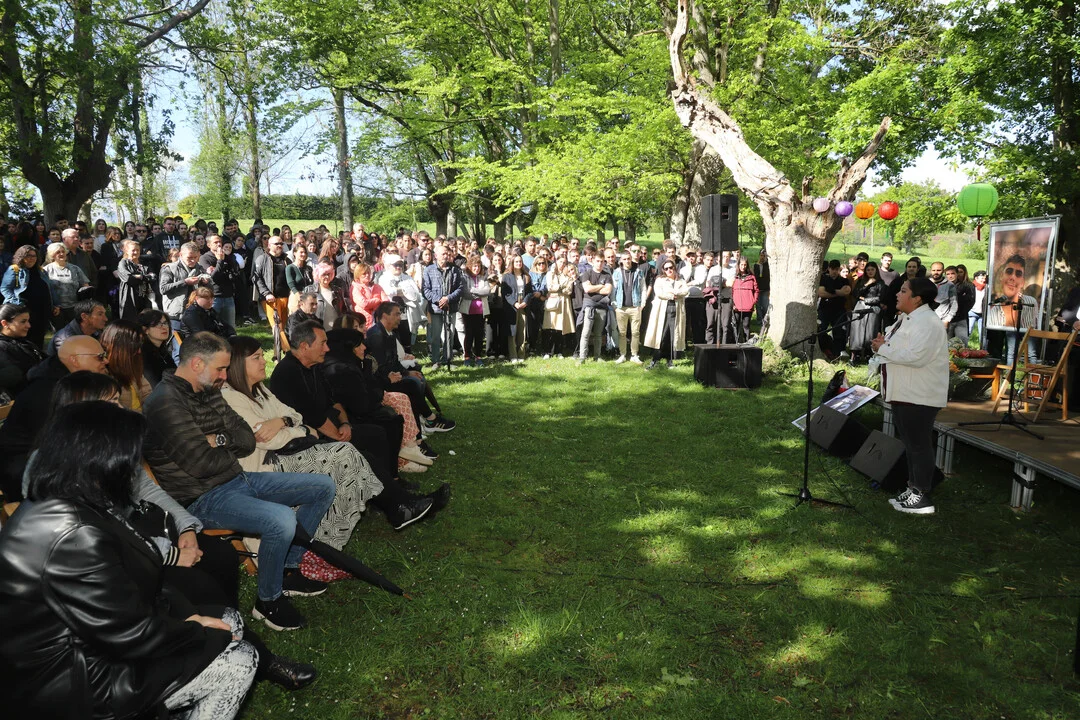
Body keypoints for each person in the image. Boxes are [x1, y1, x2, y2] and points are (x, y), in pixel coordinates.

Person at [26, 372, 318, 692]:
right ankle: (244, 655)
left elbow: (151, 492)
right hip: (118, 560)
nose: (122, 409)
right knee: (195, 584)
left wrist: (186, 526)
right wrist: (172, 553)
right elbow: (107, 541)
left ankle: (230, 637)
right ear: (79, 412)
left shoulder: (108, 448)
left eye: (117, 401)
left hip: (143, 534)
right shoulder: (52, 470)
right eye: (110, 403)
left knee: (220, 555)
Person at [0, 401, 259, 719]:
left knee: (229, 620)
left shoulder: (74, 500)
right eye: (129, 458)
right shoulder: (74, 532)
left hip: (94, 649)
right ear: (103, 460)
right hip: (71, 681)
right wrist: (195, 630)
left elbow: (133, 591)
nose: (134, 467)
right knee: (239, 660)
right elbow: (129, 633)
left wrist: (189, 618)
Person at [142, 332, 337, 632]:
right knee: (281, 519)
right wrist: (223, 445)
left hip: (236, 479)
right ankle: (268, 600)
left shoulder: (208, 389)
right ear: (196, 364)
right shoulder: (165, 402)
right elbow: (200, 464)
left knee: (322, 486)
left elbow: (246, 440)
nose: (225, 375)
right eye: (220, 368)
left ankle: (287, 569)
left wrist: (217, 440)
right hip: (201, 498)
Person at [267, 321, 438, 530]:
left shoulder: (313, 366)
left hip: (330, 427)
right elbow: (311, 416)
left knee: (376, 434)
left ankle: (388, 495)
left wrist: (345, 423)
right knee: (361, 453)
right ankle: (399, 506)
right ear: (304, 346)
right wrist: (338, 435)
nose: (327, 349)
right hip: (305, 438)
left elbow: (333, 400)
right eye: (322, 344)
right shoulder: (288, 372)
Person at [222, 336, 385, 550]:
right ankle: (324, 539)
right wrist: (303, 430)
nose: (264, 361)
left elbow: (294, 414)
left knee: (347, 454)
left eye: (262, 356)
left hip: (285, 457)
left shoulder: (260, 390)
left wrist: (282, 422)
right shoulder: (232, 398)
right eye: (256, 357)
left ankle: (326, 536)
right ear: (237, 364)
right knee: (344, 455)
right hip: (264, 471)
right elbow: (270, 440)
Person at [870, 277, 949, 514]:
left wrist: (883, 348)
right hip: (904, 392)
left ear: (917, 299)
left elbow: (917, 356)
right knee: (910, 443)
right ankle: (913, 488)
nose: (897, 294)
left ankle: (922, 495)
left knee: (919, 445)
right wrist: (883, 344)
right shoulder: (907, 318)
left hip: (919, 394)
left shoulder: (928, 322)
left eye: (903, 291)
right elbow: (899, 348)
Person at [365, 301, 455, 433]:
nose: (400, 318)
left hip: (391, 375)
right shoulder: (376, 336)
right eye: (396, 314)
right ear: (385, 316)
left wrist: (407, 373)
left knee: (417, 377)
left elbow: (394, 361)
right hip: (380, 382)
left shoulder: (390, 333)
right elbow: (380, 367)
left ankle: (425, 421)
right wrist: (403, 375)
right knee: (412, 384)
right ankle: (429, 420)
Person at [985, 254, 1039, 365]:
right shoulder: (995, 306)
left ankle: (1032, 375)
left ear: (1023, 282)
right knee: (1010, 353)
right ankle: (1007, 375)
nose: (1012, 277)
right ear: (1002, 277)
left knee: (1031, 354)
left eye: (1018, 274)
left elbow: (1033, 325)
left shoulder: (1030, 302)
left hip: (1026, 331)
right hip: (1006, 332)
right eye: (1009, 272)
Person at [1, 244, 55, 349]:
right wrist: (16, 302)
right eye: (28, 256)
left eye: (34, 256)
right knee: (24, 339)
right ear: (21, 257)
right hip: (24, 310)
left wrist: (56, 304)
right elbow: (5, 288)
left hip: (42, 311)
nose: (31, 258)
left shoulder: (41, 271)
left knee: (39, 338)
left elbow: (50, 289)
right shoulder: (14, 270)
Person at [422, 244, 464, 368]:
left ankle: (447, 359)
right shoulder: (429, 270)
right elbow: (425, 290)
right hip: (436, 309)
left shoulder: (455, 270)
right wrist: (439, 300)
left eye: (447, 254)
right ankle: (435, 360)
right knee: (435, 335)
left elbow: (460, 288)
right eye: (443, 254)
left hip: (451, 307)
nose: (446, 256)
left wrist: (448, 298)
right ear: (436, 256)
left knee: (449, 334)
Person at [644, 259, 690, 369]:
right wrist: (673, 296)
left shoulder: (680, 280)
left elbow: (686, 291)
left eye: (671, 267)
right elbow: (659, 293)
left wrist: (673, 292)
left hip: (676, 310)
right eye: (666, 268)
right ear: (663, 270)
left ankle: (670, 360)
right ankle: (655, 359)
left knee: (672, 335)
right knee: (661, 335)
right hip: (662, 310)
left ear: (674, 268)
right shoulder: (660, 280)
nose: (669, 270)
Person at [101, 319, 153, 410]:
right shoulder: (103, 374)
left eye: (140, 345)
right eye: (135, 346)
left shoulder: (131, 364)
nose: (139, 351)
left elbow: (147, 394)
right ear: (120, 346)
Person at [253, 235, 293, 354]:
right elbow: (256, 278)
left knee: (284, 327)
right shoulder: (262, 259)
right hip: (271, 299)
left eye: (281, 243)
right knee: (277, 326)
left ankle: (277, 356)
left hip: (286, 297)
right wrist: (266, 293)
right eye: (277, 244)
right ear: (269, 245)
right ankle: (289, 353)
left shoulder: (287, 259)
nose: (280, 246)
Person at [161, 242, 211, 334]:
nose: (193, 260)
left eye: (195, 257)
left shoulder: (200, 268)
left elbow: (209, 291)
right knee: (178, 342)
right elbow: (163, 288)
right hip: (176, 315)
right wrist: (185, 282)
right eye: (189, 258)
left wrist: (206, 283)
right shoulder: (169, 268)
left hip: (196, 313)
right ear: (180, 255)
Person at [42, 241, 91, 328]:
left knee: (76, 331)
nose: (61, 254)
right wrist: (53, 306)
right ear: (52, 255)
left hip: (75, 307)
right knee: (60, 333)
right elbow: (44, 290)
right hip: (57, 309)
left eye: (63, 251)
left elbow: (85, 285)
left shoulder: (75, 269)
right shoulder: (46, 270)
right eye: (58, 252)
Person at [199, 234, 242, 328]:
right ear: (209, 245)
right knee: (212, 327)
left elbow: (236, 274)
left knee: (230, 327)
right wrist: (220, 261)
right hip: (214, 297)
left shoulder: (227, 256)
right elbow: (212, 278)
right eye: (215, 242)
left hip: (228, 296)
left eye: (220, 242)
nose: (219, 244)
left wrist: (229, 258)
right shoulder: (205, 258)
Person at [0, 304, 44, 396]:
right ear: (5, 323)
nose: (29, 325)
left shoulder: (24, 342)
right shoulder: (3, 348)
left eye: (28, 321)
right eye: (23, 322)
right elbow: (14, 378)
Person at [577, 252, 613, 364]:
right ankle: (582, 357)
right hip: (589, 306)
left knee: (598, 334)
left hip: (602, 307)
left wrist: (594, 287)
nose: (600, 263)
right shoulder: (587, 274)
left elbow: (607, 291)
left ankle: (597, 356)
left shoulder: (607, 275)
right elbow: (587, 289)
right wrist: (601, 286)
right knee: (586, 332)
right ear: (593, 261)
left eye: (602, 261)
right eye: (597, 261)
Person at [848, 261, 884, 362]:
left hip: (873, 309)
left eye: (872, 269)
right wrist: (867, 284)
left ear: (876, 270)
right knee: (857, 331)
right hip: (860, 307)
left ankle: (869, 354)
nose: (870, 272)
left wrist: (865, 300)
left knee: (870, 331)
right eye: (868, 270)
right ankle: (855, 355)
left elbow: (880, 298)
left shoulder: (880, 283)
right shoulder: (861, 280)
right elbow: (855, 293)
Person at [459, 254, 490, 366]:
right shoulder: (464, 277)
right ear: (470, 266)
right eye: (474, 266)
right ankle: (467, 356)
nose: (477, 268)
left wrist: (473, 290)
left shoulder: (483, 277)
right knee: (469, 334)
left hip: (481, 310)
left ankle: (478, 356)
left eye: (478, 266)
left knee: (479, 334)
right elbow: (465, 293)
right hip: (468, 310)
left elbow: (487, 291)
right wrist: (479, 293)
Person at [816, 259, 851, 360]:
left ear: (839, 269)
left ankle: (838, 353)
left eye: (836, 269)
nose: (834, 271)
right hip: (824, 309)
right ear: (829, 269)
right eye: (832, 269)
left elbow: (846, 292)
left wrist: (831, 291)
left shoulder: (844, 280)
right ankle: (824, 350)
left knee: (839, 332)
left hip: (839, 310)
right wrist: (838, 292)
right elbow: (821, 293)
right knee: (821, 330)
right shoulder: (823, 278)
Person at [502, 255, 534, 363]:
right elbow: (505, 293)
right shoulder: (507, 276)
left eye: (520, 261)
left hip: (523, 304)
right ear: (512, 263)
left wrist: (525, 301)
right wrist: (514, 303)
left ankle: (521, 354)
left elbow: (529, 292)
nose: (519, 263)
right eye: (516, 261)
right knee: (512, 330)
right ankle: (513, 355)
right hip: (512, 305)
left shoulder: (526, 276)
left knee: (522, 330)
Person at [138, 308, 179, 387]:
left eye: (165, 323)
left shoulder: (162, 351)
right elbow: (155, 385)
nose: (164, 327)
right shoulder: (144, 354)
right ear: (146, 330)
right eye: (157, 324)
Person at [116, 239, 155, 320]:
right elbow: (129, 279)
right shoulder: (123, 263)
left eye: (138, 250)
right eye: (133, 250)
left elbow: (153, 277)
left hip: (145, 299)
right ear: (127, 251)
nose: (136, 252)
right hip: (130, 299)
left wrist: (139, 276)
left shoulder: (144, 263)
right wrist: (144, 277)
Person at [304, 261, 349, 330]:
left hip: (336, 328)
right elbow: (305, 312)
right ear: (318, 275)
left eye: (329, 274)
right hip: (318, 329)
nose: (327, 277)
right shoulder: (310, 290)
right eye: (324, 274)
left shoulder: (337, 290)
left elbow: (343, 310)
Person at [730, 256, 759, 343]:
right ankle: (735, 343)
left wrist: (753, 301)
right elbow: (731, 291)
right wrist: (733, 304)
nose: (743, 267)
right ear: (738, 265)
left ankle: (746, 343)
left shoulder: (752, 277)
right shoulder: (734, 277)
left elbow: (756, 290)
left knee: (746, 326)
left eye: (745, 265)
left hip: (748, 306)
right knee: (736, 325)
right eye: (741, 265)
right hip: (737, 306)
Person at [948, 265, 975, 344]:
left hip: (961, 317)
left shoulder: (968, 285)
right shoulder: (947, 285)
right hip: (948, 317)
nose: (959, 274)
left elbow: (970, 302)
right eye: (958, 272)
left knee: (961, 342)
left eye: (961, 272)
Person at [286, 241, 314, 313]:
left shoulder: (308, 268)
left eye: (305, 252)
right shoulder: (290, 267)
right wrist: (298, 296)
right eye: (301, 252)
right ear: (295, 253)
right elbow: (291, 284)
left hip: (308, 296)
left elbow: (312, 282)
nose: (303, 254)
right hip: (296, 296)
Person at [929, 261, 957, 329]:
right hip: (927, 319)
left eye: (938, 270)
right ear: (930, 271)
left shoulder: (949, 285)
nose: (936, 272)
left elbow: (954, 304)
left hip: (941, 320)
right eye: (933, 270)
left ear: (943, 271)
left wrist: (947, 320)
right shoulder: (926, 283)